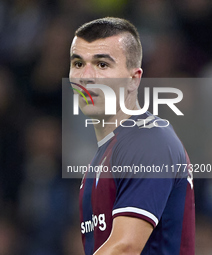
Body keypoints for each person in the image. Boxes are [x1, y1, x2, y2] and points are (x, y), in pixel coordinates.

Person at [69, 17, 195, 255]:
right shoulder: (107, 153)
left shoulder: (148, 140)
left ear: (133, 79)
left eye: (102, 65)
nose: (85, 76)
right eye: (78, 63)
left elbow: (125, 248)